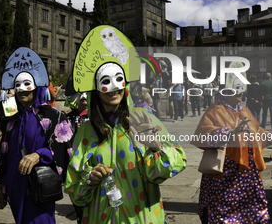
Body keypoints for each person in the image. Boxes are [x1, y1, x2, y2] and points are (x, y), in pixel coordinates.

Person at [65, 61, 187, 223]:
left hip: (142, 218)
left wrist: (156, 147)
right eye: (106, 81)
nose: (114, 87)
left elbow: (176, 162)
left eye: (118, 79)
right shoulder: (86, 130)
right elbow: (75, 193)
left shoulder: (143, 118)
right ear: (96, 88)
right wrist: (89, 179)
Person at [0, 47, 73, 224]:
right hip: (15, 188)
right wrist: (1, 188)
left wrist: (39, 155)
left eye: (27, 84)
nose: (22, 89)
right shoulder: (11, 121)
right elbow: (4, 155)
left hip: (40, 187)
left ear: (36, 85)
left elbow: (64, 148)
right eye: (18, 85)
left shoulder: (54, 116)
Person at [191, 87, 272, 223]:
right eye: (235, 89)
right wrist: (230, 132)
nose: (240, 92)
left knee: (251, 206)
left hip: (247, 173)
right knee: (222, 206)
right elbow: (202, 136)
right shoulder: (215, 110)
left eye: (241, 89)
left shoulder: (244, 111)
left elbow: (257, 131)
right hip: (225, 172)